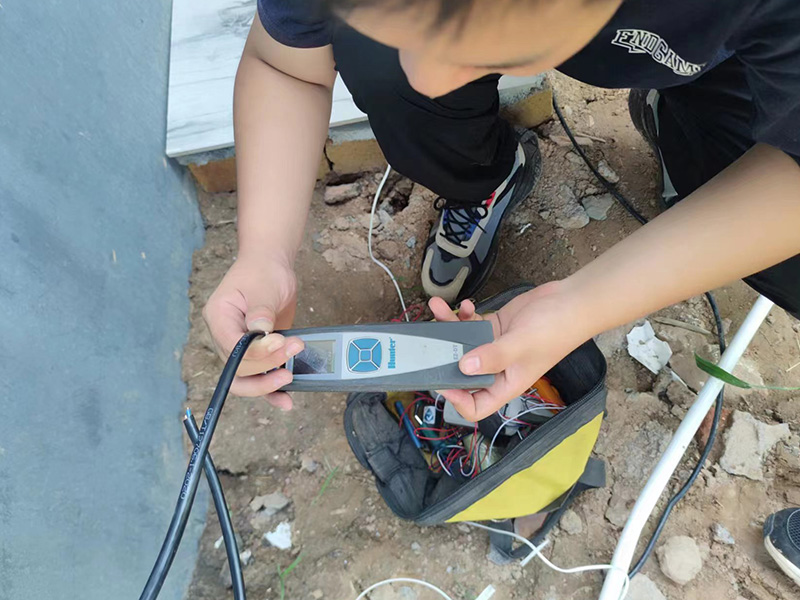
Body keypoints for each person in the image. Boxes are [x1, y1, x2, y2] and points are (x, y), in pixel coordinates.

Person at [201, 0, 800, 583]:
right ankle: (487, 177)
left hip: (737, 50)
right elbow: (284, 64)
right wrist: (264, 252)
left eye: (473, 42)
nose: (428, 80)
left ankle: (690, 116)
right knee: (383, 67)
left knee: (768, 230)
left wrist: (585, 305)